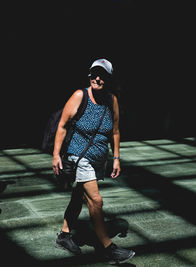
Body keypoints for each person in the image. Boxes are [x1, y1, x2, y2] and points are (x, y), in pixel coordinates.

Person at [52, 59, 135, 264]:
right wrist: (55, 155)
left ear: (109, 79)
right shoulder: (80, 96)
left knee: (80, 197)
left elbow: (115, 131)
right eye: (95, 74)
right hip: (80, 156)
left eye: (103, 75)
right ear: (89, 75)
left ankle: (64, 234)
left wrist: (116, 157)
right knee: (96, 201)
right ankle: (107, 248)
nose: (98, 78)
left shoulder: (111, 100)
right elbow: (62, 125)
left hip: (99, 158)